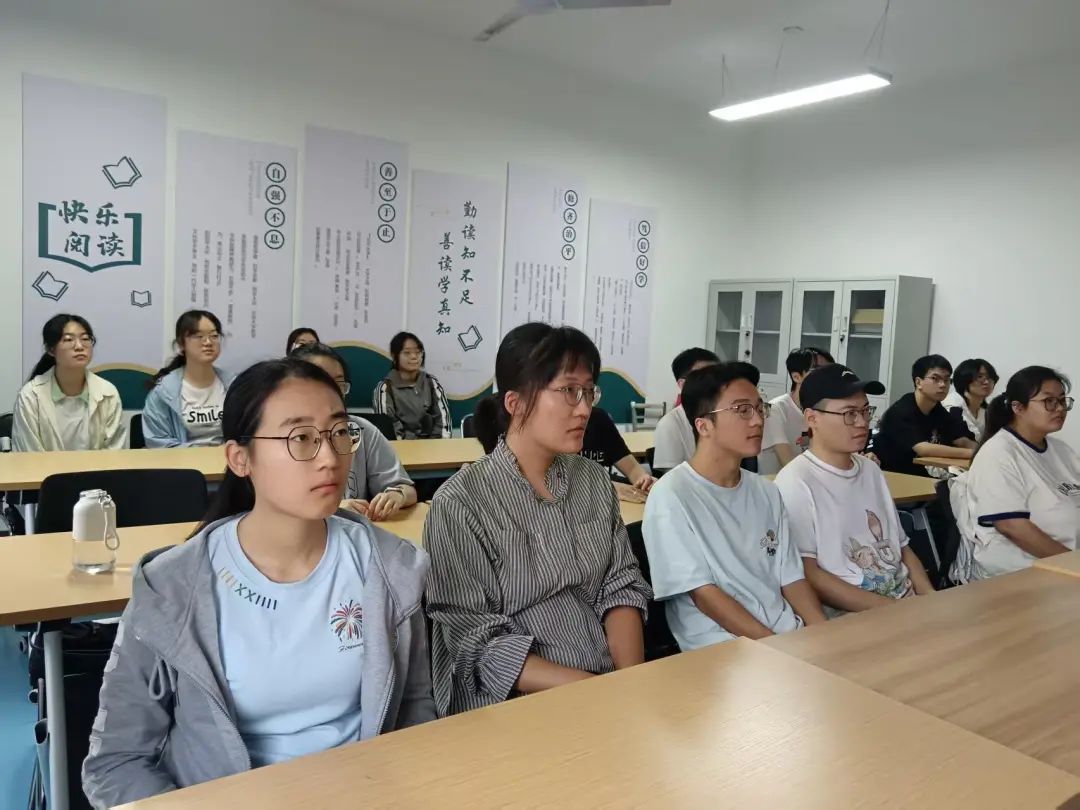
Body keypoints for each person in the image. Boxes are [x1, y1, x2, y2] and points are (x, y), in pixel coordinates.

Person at [82, 358, 435, 806]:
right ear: (239, 458)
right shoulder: (172, 588)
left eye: (338, 432)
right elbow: (116, 763)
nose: (330, 458)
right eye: (300, 438)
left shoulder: (390, 569)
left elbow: (416, 711)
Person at [423, 323, 651, 717]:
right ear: (515, 403)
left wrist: (628, 687)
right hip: (511, 706)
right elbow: (476, 641)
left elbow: (621, 587)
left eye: (588, 391)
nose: (584, 408)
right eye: (568, 391)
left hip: (608, 687)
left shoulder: (594, 480)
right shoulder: (460, 503)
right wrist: (598, 693)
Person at [642, 362, 826, 650]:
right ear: (703, 425)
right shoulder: (672, 495)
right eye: (742, 410)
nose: (757, 421)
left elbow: (791, 579)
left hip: (785, 637)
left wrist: (825, 636)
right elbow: (704, 595)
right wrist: (776, 648)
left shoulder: (766, 491)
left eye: (760, 408)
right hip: (722, 648)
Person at [774, 364, 934, 614]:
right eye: (849, 414)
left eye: (865, 411)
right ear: (812, 418)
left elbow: (901, 548)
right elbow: (808, 573)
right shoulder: (795, 482)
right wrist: (894, 610)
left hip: (904, 604)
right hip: (855, 615)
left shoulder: (870, 471)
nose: (862, 423)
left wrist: (932, 599)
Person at [950, 366, 1080, 583]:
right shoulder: (998, 453)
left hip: (1065, 564)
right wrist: (1071, 562)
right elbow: (1012, 527)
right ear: (1018, 407)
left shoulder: (1062, 450)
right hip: (1023, 572)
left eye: (1062, 400)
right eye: (1049, 401)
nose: (1059, 408)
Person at [290, 342, 418, 519]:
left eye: (339, 383)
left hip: (353, 532)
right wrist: (336, 508)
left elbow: (407, 489)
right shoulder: (279, 436)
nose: (333, 392)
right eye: (322, 382)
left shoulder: (361, 431)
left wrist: (397, 495)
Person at [12, 314, 126, 451]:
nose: (79, 346)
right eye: (68, 340)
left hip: (98, 466)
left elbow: (114, 452)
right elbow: (28, 454)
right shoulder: (30, 396)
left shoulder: (108, 393)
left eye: (85, 339)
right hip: (43, 466)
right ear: (51, 350)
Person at [872, 355, 976, 477]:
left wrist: (984, 451)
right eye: (935, 379)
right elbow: (923, 449)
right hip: (891, 475)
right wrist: (972, 453)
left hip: (919, 473)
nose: (943, 385)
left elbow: (961, 439)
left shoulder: (937, 409)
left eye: (947, 379)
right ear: (918, 382)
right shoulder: (901, 411)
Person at [143, 310, 235, 448]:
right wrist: (201, 454)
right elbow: (159, 443)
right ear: (181, 344)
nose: (208, 342)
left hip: (228, 459)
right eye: (199, 336)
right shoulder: (163, 393)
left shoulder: (234, 386)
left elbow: (247, 434)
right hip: (181, 461)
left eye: (214, 336)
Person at [757, 347, 834, 475]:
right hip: (776, 482)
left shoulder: (821, 409)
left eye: (828, 372)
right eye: (817, 371)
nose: (826, 378)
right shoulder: (776, 410)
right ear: (796, 377)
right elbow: (788, 464)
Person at [373, 332, 451, 440]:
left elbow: (443, 421)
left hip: (433, 445)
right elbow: (388, 428)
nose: (414, 357)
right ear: (394, 356)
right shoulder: (385, 388)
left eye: (418, 352)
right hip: (401, 447)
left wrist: (437, 444)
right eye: (407, 353)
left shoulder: (431, 382)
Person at [652, 348, 720, 472]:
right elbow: (673, 478)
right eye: (703, 377)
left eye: (718, 375)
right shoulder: (670, 424)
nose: (714, 383)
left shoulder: (724, 414)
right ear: (683, 385)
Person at [579, 407, 656, 501]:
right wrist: (605, 488)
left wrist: (644, 480)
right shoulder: (561, 427)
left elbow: (631, 468)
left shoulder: (599, 418)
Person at [944, 358, 998, 441]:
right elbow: (963, 441)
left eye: (990, 378)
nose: (987, 382)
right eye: (980, 377)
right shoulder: (952, 405)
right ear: (965, 379)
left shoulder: (986, 410)